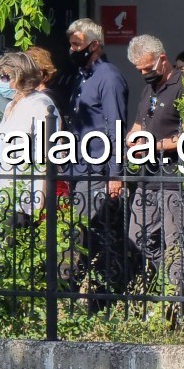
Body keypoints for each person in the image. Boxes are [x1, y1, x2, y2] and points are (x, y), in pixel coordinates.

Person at [63, 18, 129, 309]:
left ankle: (103, 298)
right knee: (79, 234)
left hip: (97, 171)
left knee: (95, 236)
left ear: (95, 45)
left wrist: (115, 173)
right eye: (71, 44)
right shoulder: (82, 77)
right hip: (79, 169)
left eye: (77, 44)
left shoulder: (108, 77)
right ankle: (77, 296)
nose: (72, 49)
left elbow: (115, 127)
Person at [125, 35, 184, 295]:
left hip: (174, 178)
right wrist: (131, 140)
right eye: (139, 70)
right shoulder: (149, 90)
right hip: (148, 177)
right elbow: (138, 125)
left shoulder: (183, 86)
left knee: (176, 242)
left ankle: (177, 299)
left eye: (147, 68)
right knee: (138, 237)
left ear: (162, 59)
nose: (144, 74)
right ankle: (165, 285)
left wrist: (153, 146)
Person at [0, 51, 55, 224]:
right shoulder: (10, 106)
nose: (1, 80)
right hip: (5, 193)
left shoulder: (40, 104)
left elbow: (46, 155)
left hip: (26, 195)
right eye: (0, 76)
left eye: (5, 76)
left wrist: (41, 197)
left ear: (20, 76)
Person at [24, 46, 67, 116]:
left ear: (39, 74)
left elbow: (42, 122)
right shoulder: (42, 95)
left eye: (25, 70)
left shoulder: (44, 98)